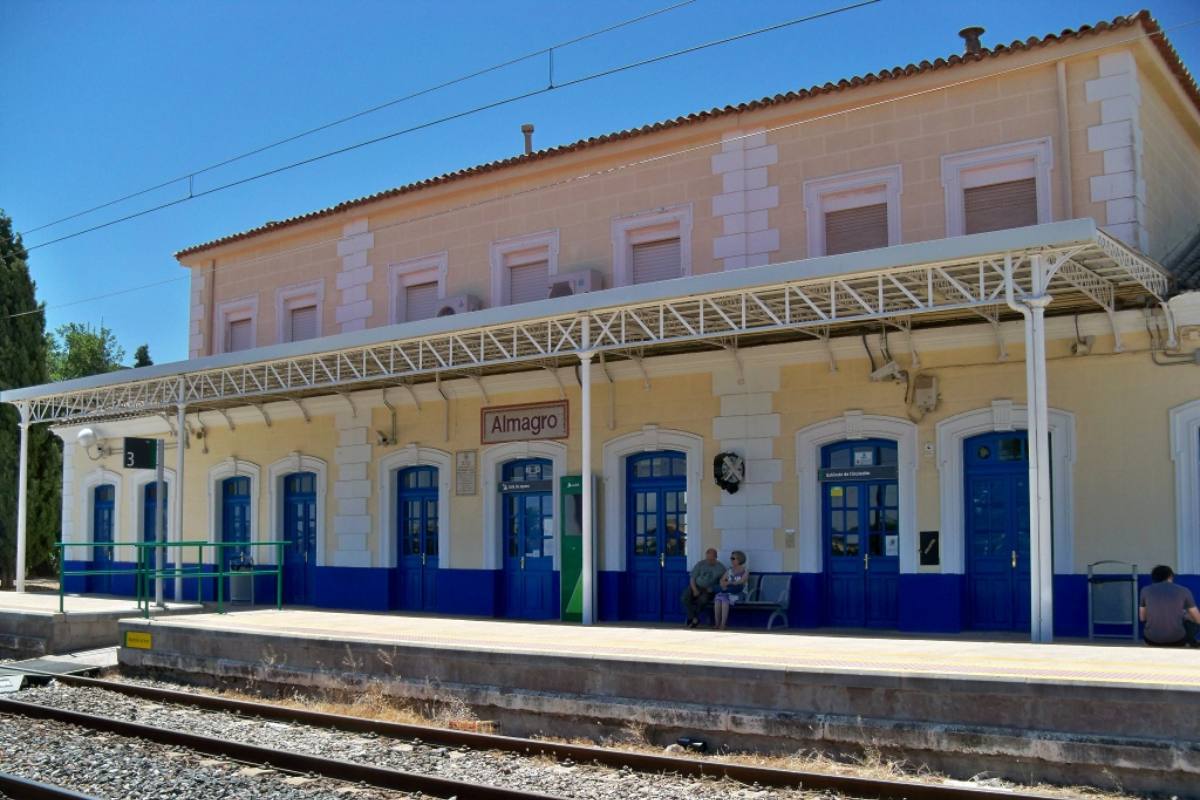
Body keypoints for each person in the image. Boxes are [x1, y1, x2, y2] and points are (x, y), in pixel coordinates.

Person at [1139, 565, 1200, 647]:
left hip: (1151, 640)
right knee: (1191, 618)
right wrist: (1184, 615)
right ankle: (1191, 641)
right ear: (1170, 576)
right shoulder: (1184, 590)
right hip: (1177, 640)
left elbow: (1142, 618)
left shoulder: (1145, 590)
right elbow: (1197, 618)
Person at [681, 548, 725, 628]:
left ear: (716, 557)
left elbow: (723, 583)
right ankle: (694, 618)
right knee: (685, 598)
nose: (709, 561)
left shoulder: (721, 568)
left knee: (703, 600)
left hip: (709, 589)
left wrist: (714, 588)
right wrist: (694, 589)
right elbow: (692, 578)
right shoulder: (700, 564)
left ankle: (692, 618)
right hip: (696, 586)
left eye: (711, 559)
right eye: (707, 559)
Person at [713, 551, 750, 630]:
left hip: (740, 593)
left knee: (724, 599)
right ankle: (717, 623)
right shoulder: (729, 570)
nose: (731, 560)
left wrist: (728, 583)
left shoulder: (745, 571)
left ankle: (723, 624)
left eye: (733, 558)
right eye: (731, 558)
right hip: (728, 592)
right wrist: (723, 584)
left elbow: (741, 582)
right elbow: (722, 580)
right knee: (718, 599)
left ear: (739, 559)